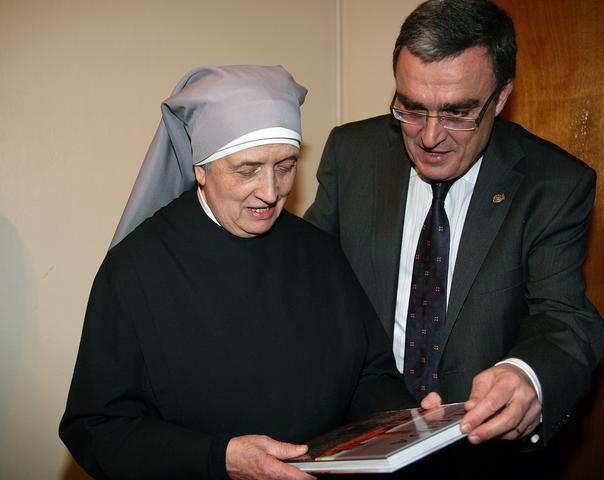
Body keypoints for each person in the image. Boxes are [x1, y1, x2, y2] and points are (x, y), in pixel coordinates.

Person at [59, 65, 414, 480]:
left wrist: (408, 422)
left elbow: (369, 374)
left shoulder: (319, 251)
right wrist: (218, 458)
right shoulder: (135, 271)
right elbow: (96, 429)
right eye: (247, 170)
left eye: (285, 166)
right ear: (201, 169)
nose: (270, 192)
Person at [304, 0, 604, 475]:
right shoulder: (351, 154)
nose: (429, 137)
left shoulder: (553, 183)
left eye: (457, 113)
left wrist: (526, 375)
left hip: (482, 457)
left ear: (500, 97)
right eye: (411, 108)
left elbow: (564, 317)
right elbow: (306, 285)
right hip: (357, 444)